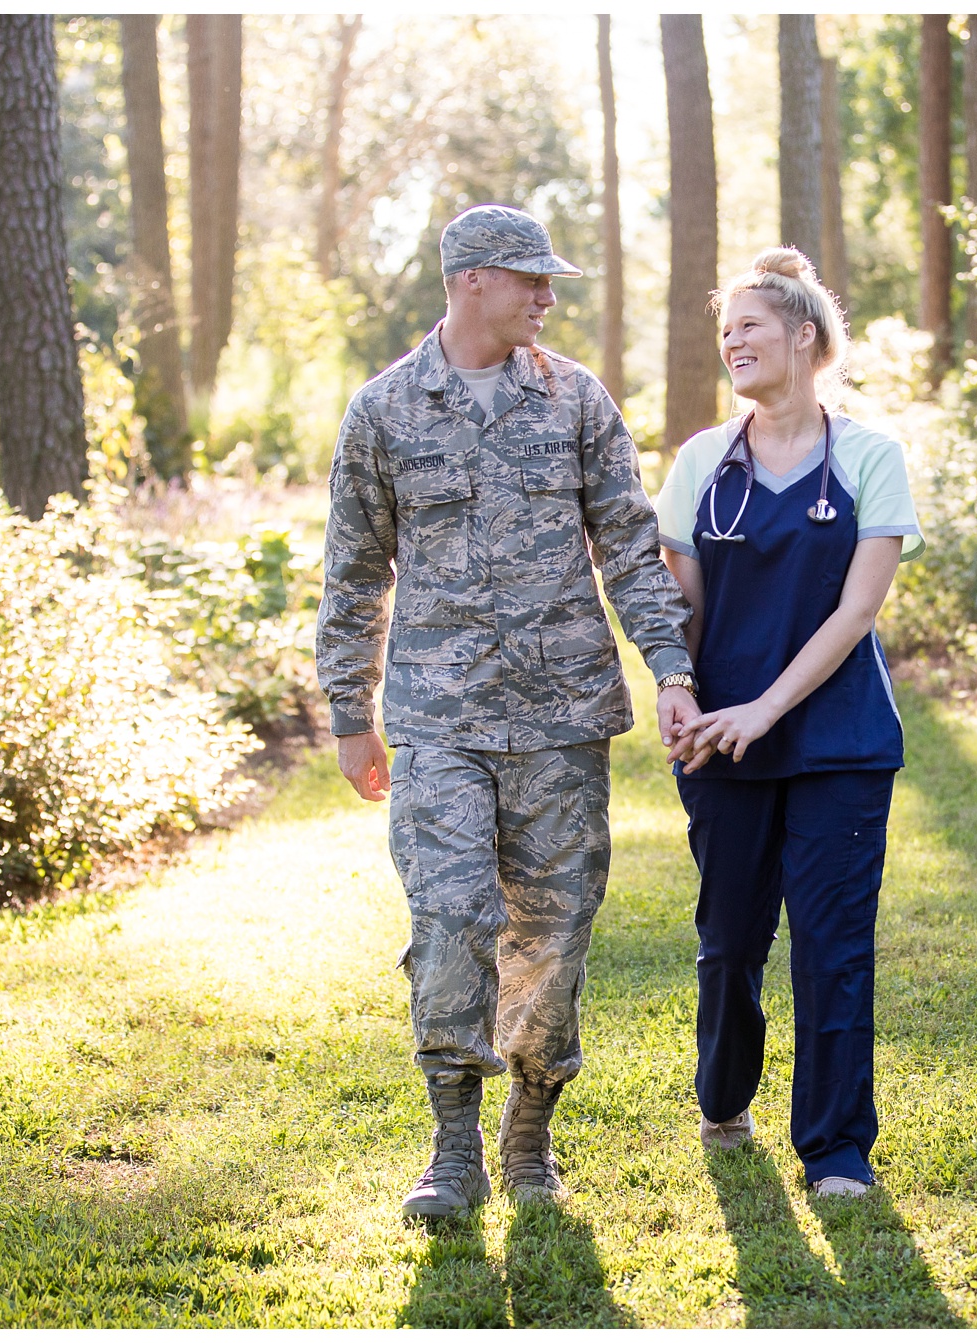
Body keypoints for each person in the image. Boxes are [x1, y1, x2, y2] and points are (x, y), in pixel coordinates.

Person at [316, 204, 700, 1218]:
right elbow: (353, 571)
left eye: (549, 280)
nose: (547, 295)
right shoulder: (385, 410)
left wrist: (669, 666)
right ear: (469, 280)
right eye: (530, 278)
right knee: (451, 921)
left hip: (560, 715)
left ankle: (528, 1132)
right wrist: (348, 709)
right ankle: (453, 1148)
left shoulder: (575, 399)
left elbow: (627, 542)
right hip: (439, 718)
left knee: (553, 933)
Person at [652, 248, 924, 1198]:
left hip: (836, 743)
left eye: (751, 326)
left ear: (805, 336)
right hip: (720, 741)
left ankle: (837, 1146)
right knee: (730, 940)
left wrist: (767, 709)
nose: (732, 341)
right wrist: (673, 687)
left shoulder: (869, 458)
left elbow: (857, 613)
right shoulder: (699, 463)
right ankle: (724, 1092)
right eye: (724, 330)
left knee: (831, 943)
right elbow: (674, 602)